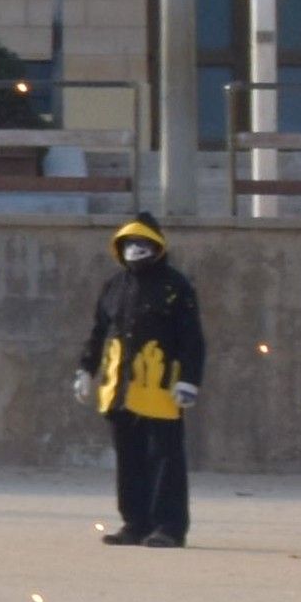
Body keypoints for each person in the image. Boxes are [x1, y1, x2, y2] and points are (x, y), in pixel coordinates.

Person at [79, 213, 204, 547]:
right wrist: (86, 370)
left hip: (160, 387)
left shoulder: (176, 286)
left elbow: (192, 338)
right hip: (120, 388)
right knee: (129, 457)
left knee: (165, 458)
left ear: (158, 246)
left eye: (143, 243)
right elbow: (98, 332)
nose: (137, 249)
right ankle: (135, 522)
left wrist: (189, 380)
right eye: (130, 243)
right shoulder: (113, 285)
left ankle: (169, 527)